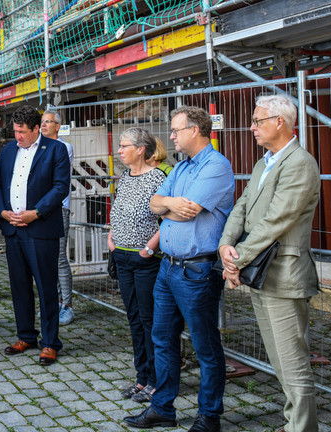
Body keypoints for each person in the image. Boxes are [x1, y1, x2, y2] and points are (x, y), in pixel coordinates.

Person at [125, 106, 234, 432]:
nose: (170, 136)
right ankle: (162, 408)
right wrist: (171, 203)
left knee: (205, 346)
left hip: (197, 272)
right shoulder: (182, 166)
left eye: (175, 130)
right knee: (162, 339)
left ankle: (208, 416)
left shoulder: (216, 166)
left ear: (195, 130)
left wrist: (168, 205)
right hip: (169, 268)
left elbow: (191, 210)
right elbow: (155, 204)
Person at [218, 95, 321, 432]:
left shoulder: (300, 163)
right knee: (278, 361)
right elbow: (242, 206)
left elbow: (279, 219)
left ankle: (300, 428)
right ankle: (293, 424)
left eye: (258, 121)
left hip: (284, 275)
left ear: (279, 122)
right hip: (259, 273)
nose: (252, 127)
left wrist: (237, 260)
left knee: (293, 364)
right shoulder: (265, 163)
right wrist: (225, 245)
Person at [0, 105, 72, 366]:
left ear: (37, 129)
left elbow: (60, 187)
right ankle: (26, 335)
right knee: (19, 287)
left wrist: (36, 212)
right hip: (13, 229)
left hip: (40, 229)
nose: (18, 137)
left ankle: (50, 343)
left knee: (46, 287)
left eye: (22, 132)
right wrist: (3, 211)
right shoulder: (7, 151)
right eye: (15, 131)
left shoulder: (56, 150)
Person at [109, 128, 167, 404]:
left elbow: (167, 219)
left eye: (124, 146)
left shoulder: (157, 177)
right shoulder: (125, 177)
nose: (119, 151)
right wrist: (111, 236)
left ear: (141, 149)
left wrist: (150, 247)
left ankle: (156, 381)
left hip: (145, 261)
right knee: (133, 318)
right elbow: (118, 209)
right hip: (122, 256)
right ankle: (142, 376)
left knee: (149, 319)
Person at [41, 110, 77, 325]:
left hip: (59, 207)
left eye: (48, 122)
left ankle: (68, 305)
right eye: (42, 121)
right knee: (47, 257)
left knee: (60, 257)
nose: (44, 125)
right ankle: (53, 302)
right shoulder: (39, 146)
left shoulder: (64, 147)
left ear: (58, 126)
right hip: (41, 208)